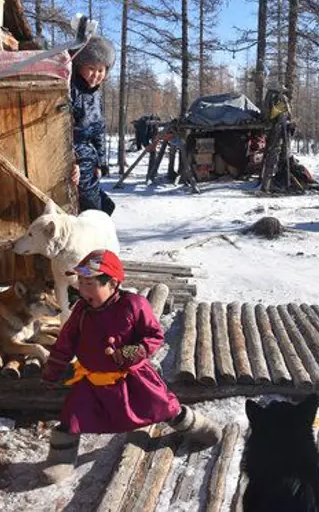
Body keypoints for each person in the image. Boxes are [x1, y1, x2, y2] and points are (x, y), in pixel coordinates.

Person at [40, 249, 222, 484]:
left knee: (164, 406)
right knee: (72, 417)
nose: (82, 290)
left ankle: (196, 427)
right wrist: (53, 370)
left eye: (89, 283)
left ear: (113, 283)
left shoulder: (134, 305)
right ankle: (61, 459)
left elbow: (154, 336)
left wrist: (132, 352)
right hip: (93, 381)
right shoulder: (81, 312)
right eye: (80, 282)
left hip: (132, 378)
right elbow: (65, 343)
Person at [70, 36, 115, 215]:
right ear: (79, 65)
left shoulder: (95, 95)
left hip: (90, 161)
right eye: (91, 68)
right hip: (77, 161)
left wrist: (101, 162)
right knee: (92, 210)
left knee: (101, 208)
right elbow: (64, 130)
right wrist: (73, 162)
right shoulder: (71, 90)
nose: (96, 75)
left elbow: (99, 130)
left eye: (101, 70)